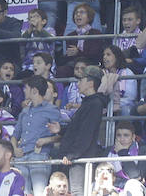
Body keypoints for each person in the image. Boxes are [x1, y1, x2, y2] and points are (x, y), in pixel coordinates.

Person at [50, 65, 109, 196]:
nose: (78, 83)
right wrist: (61, 130)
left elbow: (86, 133)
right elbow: (78, 129)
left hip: (78, 159)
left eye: (81, 80)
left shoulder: (94, 104)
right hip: (74, 157)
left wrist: (72, 154)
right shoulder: (90, 103)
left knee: (77, 192)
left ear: (90, 83)